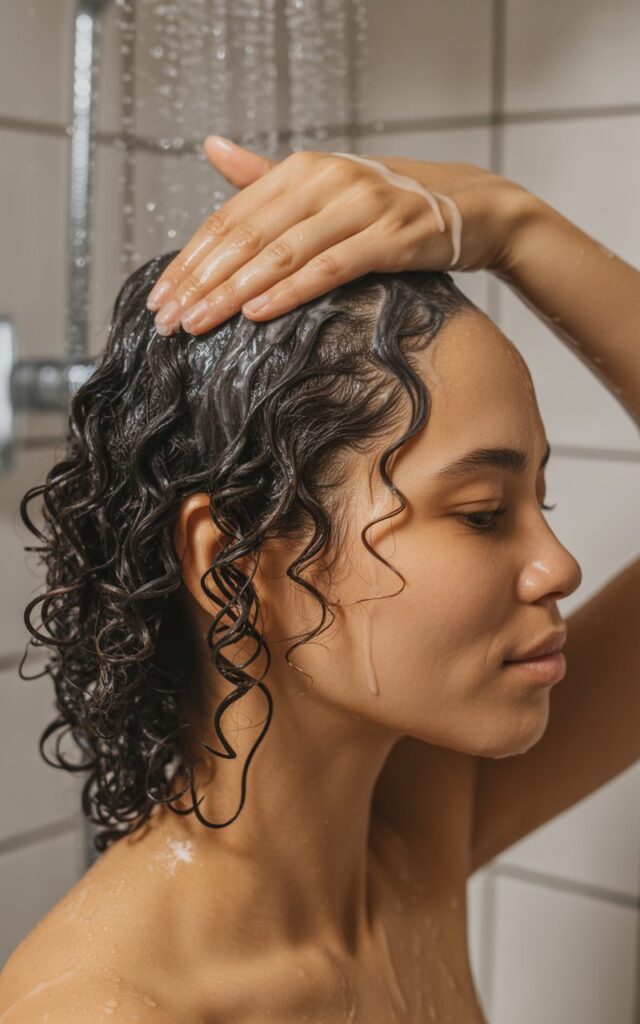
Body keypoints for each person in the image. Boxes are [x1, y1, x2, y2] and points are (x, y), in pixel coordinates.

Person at [0, 141, 638, 1024]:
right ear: (235, 565)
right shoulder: (110, 1010)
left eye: (542, 498)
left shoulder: (411, 830)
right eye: (484, 513)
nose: (558, 565)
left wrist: (508, 224)